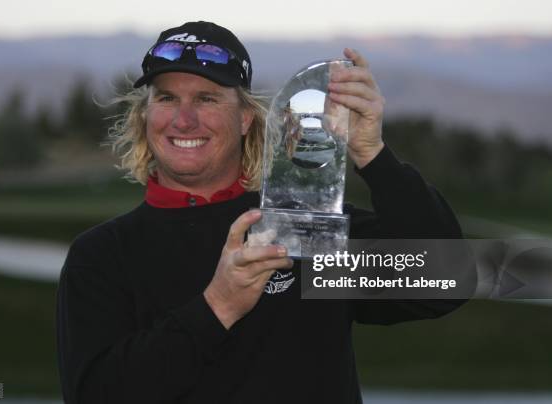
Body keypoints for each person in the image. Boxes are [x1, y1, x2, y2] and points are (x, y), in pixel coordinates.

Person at [57, 21, 463, 404]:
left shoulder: (305, 229)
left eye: (206, 98)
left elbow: (446, 280)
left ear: (245, 119)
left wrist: (372, 154)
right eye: (166, 98)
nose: (184, 119)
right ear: (145, 116)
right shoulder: (102, 255)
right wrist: (218, 306)